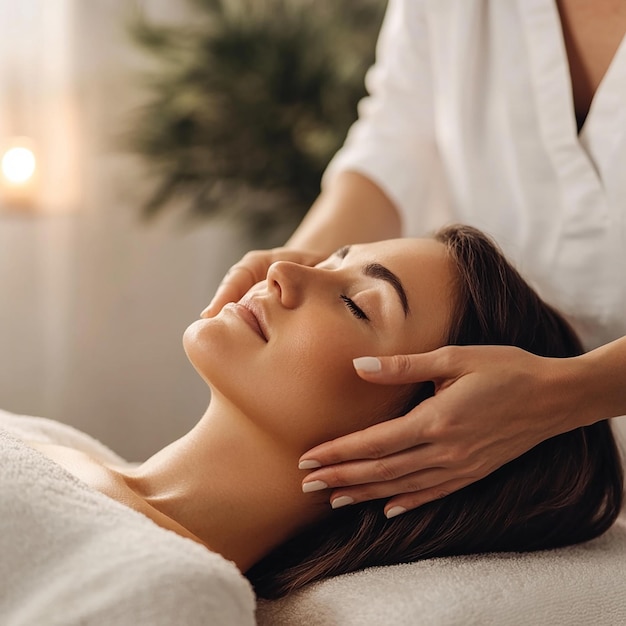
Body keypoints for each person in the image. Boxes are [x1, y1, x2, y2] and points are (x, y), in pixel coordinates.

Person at [13, 225, 623, 599]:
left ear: (432, 435)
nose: (280, 269)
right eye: (329, 259)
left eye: (358, 305)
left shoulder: (166, 590)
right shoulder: (47, 440)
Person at [202, 0, 626, 517]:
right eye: (339, 262)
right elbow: (397, 134)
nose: (279, 276)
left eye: (360, 307)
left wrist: (572, 393)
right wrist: (313, 259)